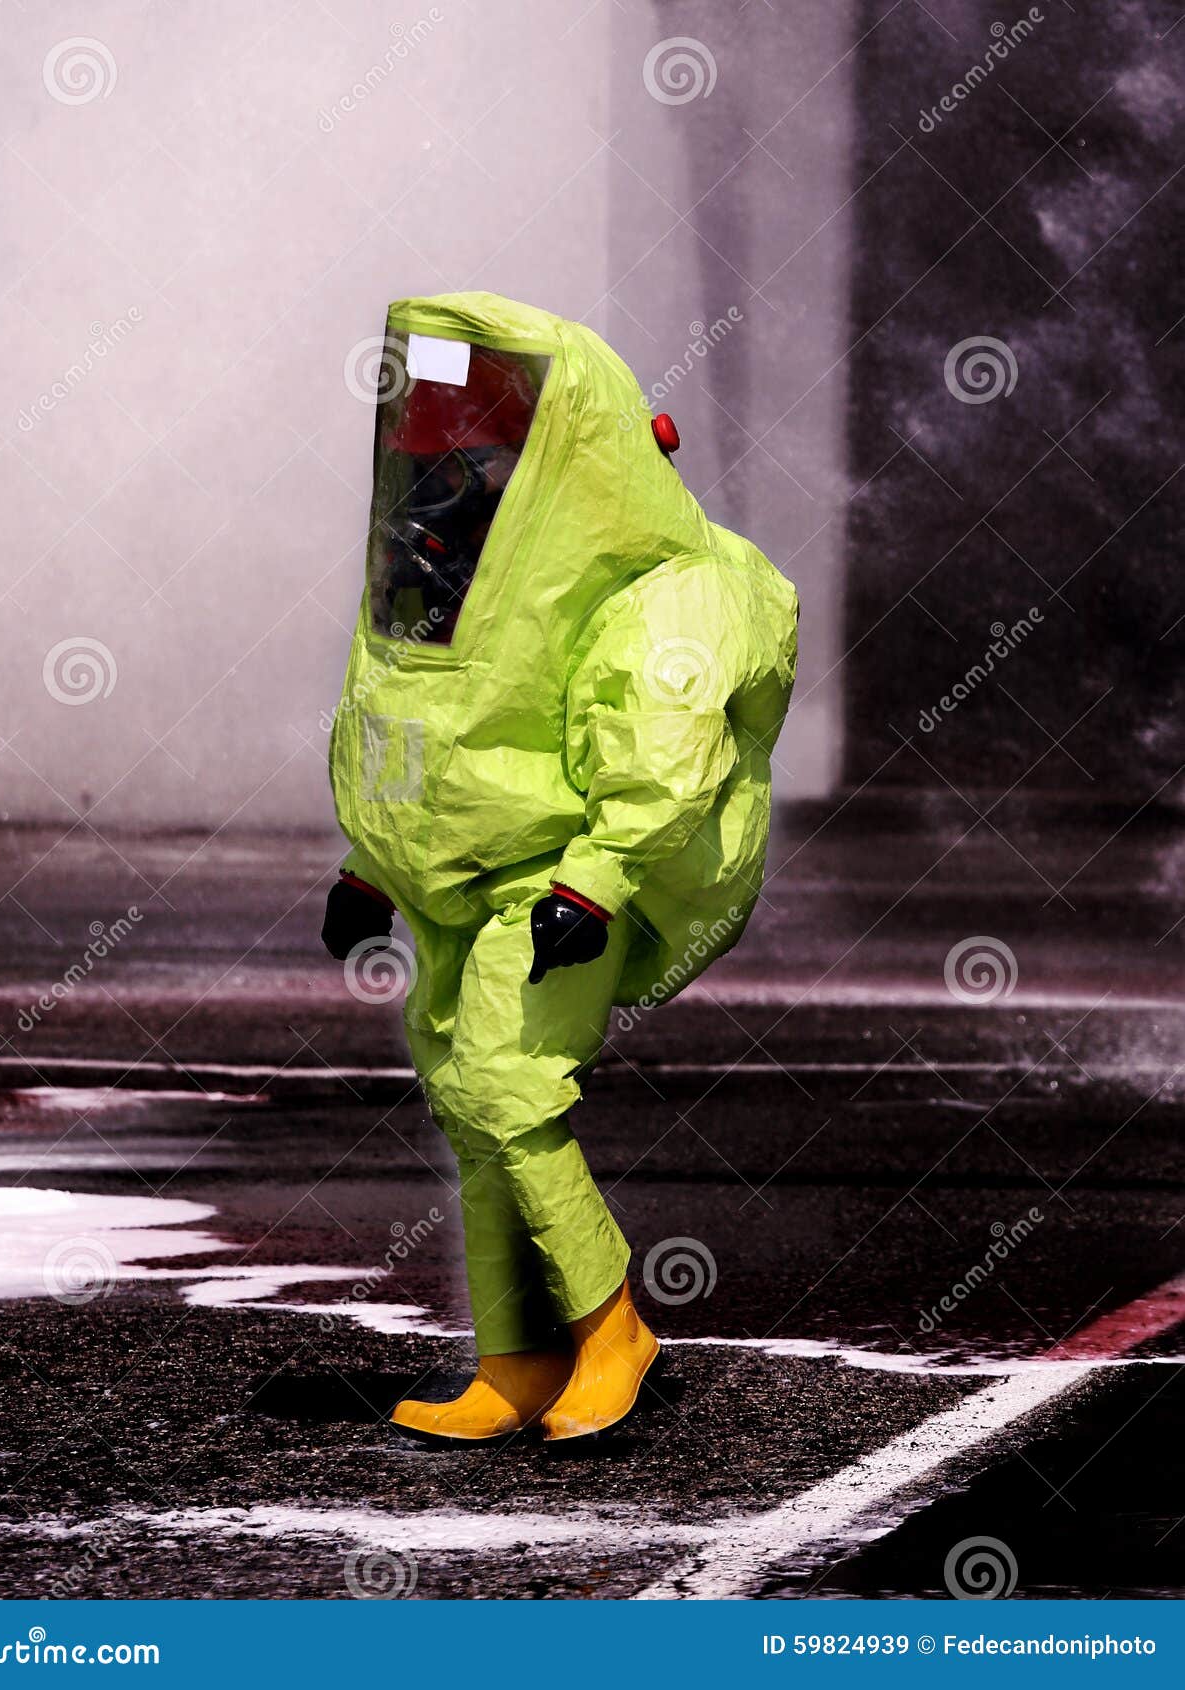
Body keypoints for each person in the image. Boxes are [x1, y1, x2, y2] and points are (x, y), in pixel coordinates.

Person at [323, 291, 797, 1443]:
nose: (451, 483)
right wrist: (373, 867)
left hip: (568, 873)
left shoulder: (655, 594)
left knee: (502, 1078)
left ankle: (607, 1326)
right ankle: (516, 1360)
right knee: (469, 1095)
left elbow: (660, 753)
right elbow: (445, 725)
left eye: (479, 458)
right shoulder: (473, 569)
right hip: (473, 866)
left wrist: (597, 880)